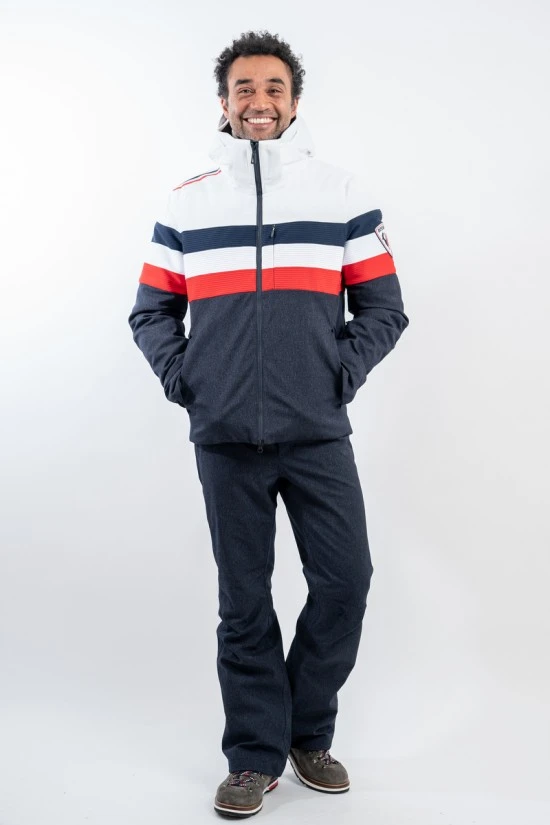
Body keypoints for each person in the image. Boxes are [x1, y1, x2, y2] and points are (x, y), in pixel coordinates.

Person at [128, 30, 408, 819]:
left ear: (294, 100)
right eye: (244, 88)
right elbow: (151, 311)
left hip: (316, 432)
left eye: (274, 88)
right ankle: (254, 754)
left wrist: (337, 376)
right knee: (243, 601)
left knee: (346, 581)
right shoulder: (187, 202)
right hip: (224, 438)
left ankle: (307, 732)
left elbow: (384, 308)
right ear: (223, 103)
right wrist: (189, 381)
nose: (259, 101)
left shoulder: (340, 193)